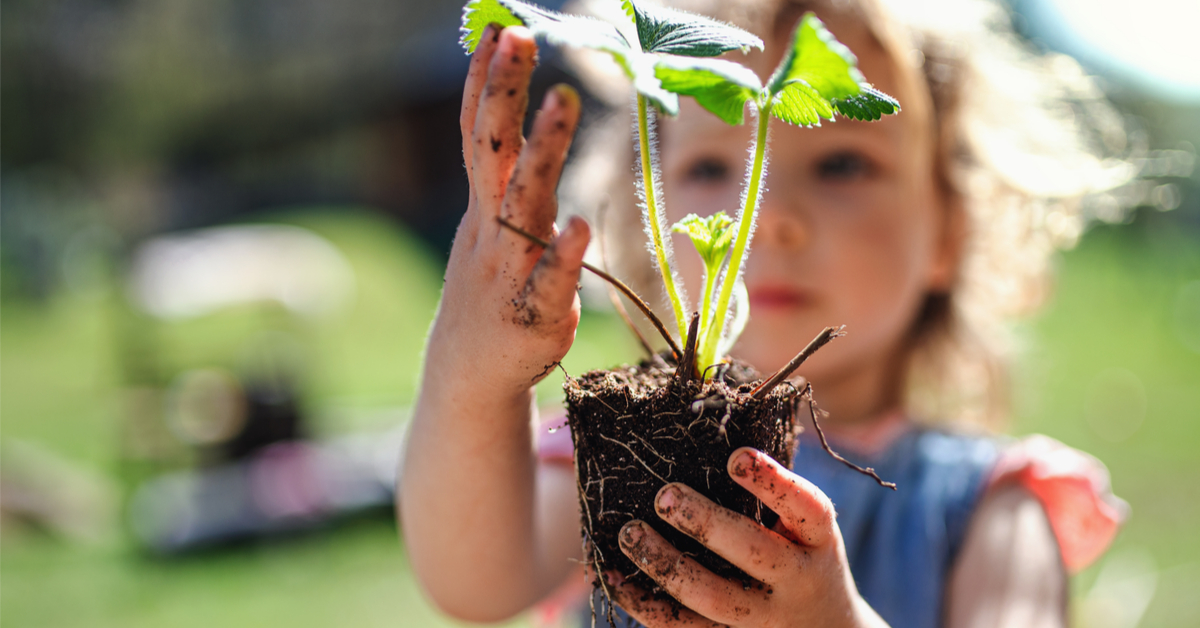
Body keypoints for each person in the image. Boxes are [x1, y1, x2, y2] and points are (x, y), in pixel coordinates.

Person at [399, 0, 1129, 626]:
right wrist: (473, 375)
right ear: (644, 212)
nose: (769, 216)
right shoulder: (613, 443)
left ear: (950, 228)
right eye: (711, 166)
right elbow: (471, 580)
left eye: (842, 164)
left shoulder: (996, 508)